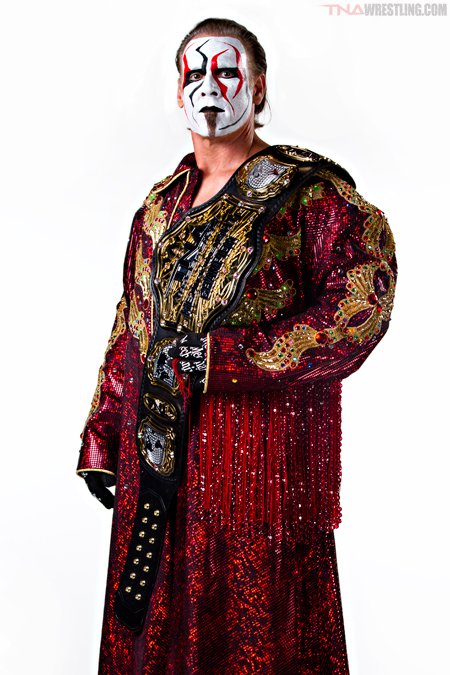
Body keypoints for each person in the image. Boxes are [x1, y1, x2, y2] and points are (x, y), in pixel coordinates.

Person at [76, 16, 398, 674]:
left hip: (256, 467)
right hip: (157, 462)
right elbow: (133, 320)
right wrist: (104, 433)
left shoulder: (308, 197)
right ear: (177, 91)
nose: (210, 85)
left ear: (259, 86)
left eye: (227, 70)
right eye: (195, 72)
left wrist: (226, 358)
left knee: (256, 635)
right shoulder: (160, 207)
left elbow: (359, 306)